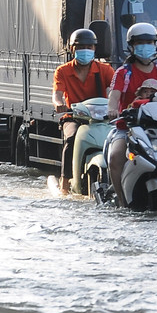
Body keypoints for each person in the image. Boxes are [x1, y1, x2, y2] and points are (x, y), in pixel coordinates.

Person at [103, 23, 157, 206]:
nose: (145, 46)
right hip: (128, 129)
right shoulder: (124, 72)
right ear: (131, 46)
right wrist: (112, 109)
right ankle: (122, 201)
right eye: (140, 42)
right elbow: (114, 96)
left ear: (155, 44)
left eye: (149, 42)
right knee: (116, 157)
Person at [52, 28, 115, 194]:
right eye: (80, 47)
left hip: (102, 118)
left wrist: (116, 105)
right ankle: (65, 183)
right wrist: (59, 103)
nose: (85, 50)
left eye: (89, 47)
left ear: (95, 49)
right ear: (72, 49)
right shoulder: (63, 71)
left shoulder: (105, 70)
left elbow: (114, 92)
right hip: (74, 117)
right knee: (71, 138)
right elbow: (57, 94)